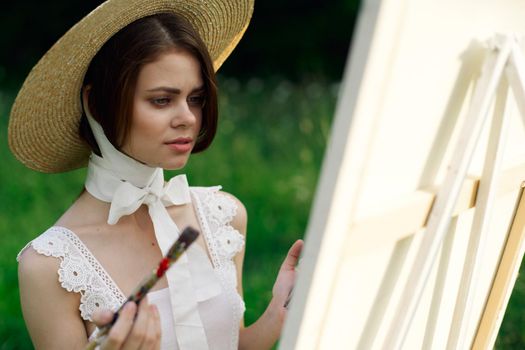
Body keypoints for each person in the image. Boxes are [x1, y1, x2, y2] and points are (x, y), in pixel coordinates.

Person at [9, 1, 303, 349]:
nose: (189, 118)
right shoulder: (50, 265)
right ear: (96, 104)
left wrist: (279, 314)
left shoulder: (222, 217)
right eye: (162, 100)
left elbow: (227, 343)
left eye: (195, 98)